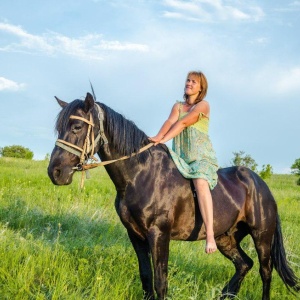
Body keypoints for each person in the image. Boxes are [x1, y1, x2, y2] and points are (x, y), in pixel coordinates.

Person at [149, 70, 219, 254]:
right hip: (181, 156)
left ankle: (210, 235)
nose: (189, 83)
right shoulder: (178, 106)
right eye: (188, 80)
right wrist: (158, 136)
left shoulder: (203, 105)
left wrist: (163, 140)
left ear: (201, 87)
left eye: (194, 82)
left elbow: (182, 124)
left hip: (200, 157)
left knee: (200, 182)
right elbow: (170, 121)